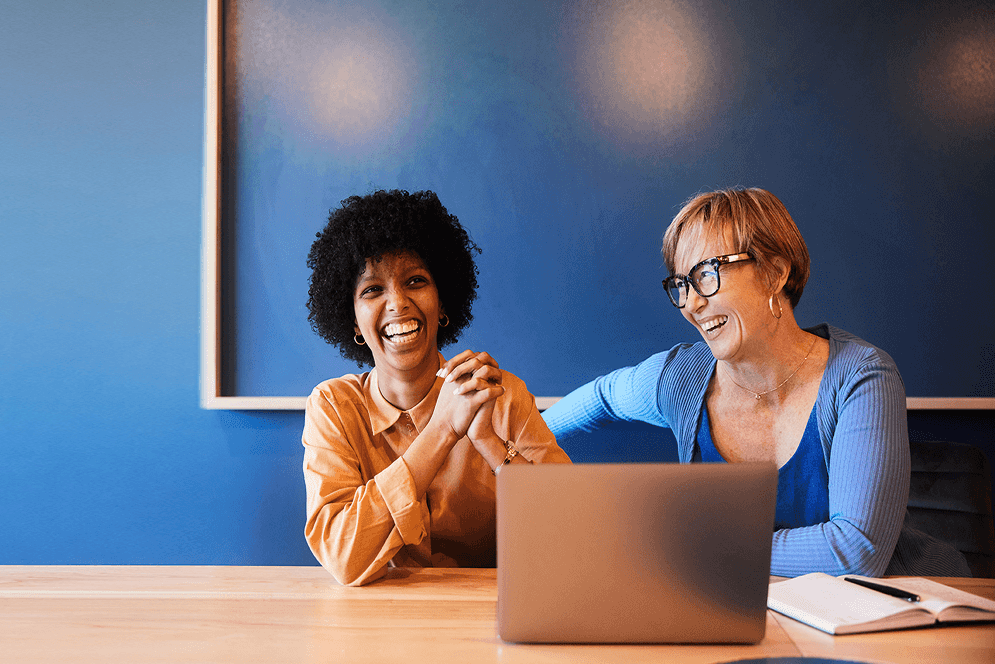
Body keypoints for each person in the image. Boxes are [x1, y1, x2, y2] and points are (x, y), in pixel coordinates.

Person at [544, 187, 965, 577]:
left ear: (775, 273)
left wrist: (697, 548)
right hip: (756, 611)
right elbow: (602, 398)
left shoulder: (861, 376)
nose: (691, 303)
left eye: (708, 273)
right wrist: (511, 431)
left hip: (895, 620)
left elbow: (857, 551)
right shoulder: (681, 380)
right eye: (682, 284)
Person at [303, 189, 571, 586]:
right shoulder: (334, 406)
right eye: (372, 289)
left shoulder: (499, 395)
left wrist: (490, 445)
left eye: (415, 281)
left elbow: (570, 531)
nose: (397, 302)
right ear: (354, 323)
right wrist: (442, 431)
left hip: (491, 619)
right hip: (378, 627)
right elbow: (343, 556)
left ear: (443, 305)